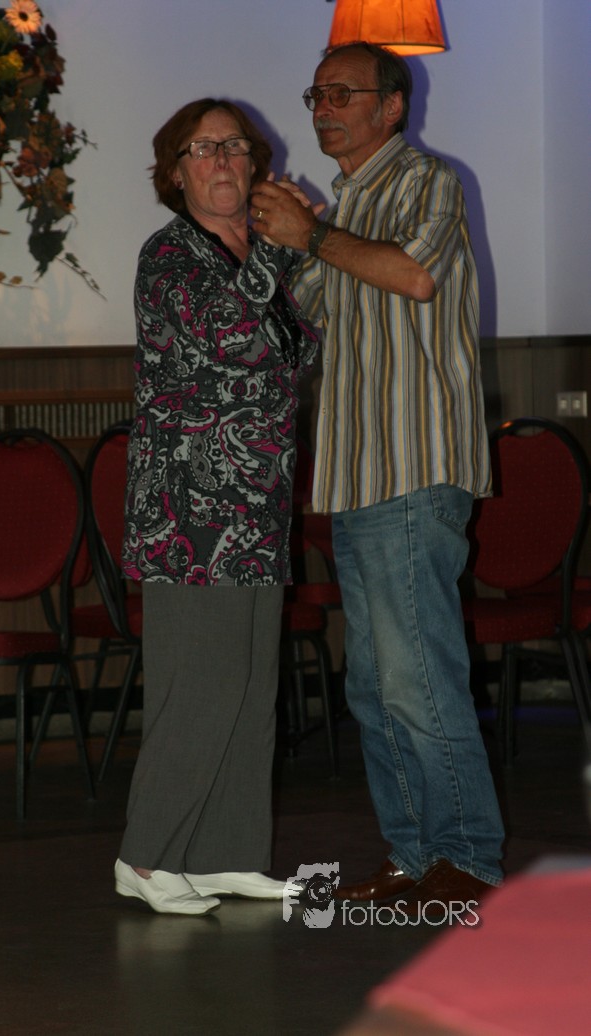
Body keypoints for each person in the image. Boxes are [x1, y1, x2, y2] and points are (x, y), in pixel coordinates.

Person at [250, 42, 505, 918]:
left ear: (390, 107)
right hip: (355, 473)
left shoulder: (427, 179)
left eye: (341, 93)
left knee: (416, 675)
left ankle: (466, 859)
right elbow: (309, 315)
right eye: (315, 94)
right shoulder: (346, 206)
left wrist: (312, 235)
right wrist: (281, 240)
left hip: (414, 465)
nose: (322, 107)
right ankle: (412, 856)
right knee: (371, 685)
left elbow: (415, 275)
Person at [114, 98, 317, 915]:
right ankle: (147, 857)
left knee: (247, 686)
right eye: (202, 149)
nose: (222, 160)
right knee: (197, 687)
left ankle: (227, 852)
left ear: (255, 163)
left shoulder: (257, 256)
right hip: (189, 513)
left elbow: (294, 348)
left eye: (234, 145)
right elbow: (233, 339)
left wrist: (289, 249)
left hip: (257, 504)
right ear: (176, 174)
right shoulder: (170, 255)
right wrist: (283, 246)